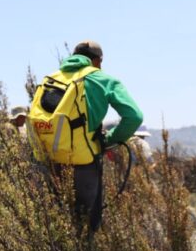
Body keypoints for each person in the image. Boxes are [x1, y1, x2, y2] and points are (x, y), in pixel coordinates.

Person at [29, 40, 143, 233]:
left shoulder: (51, 78)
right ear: (98, 60)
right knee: (86, 225)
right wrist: (109, 140)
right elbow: (134, 116)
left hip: (50, 160)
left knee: (57, 225)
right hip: (85, 162)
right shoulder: (101, 79)